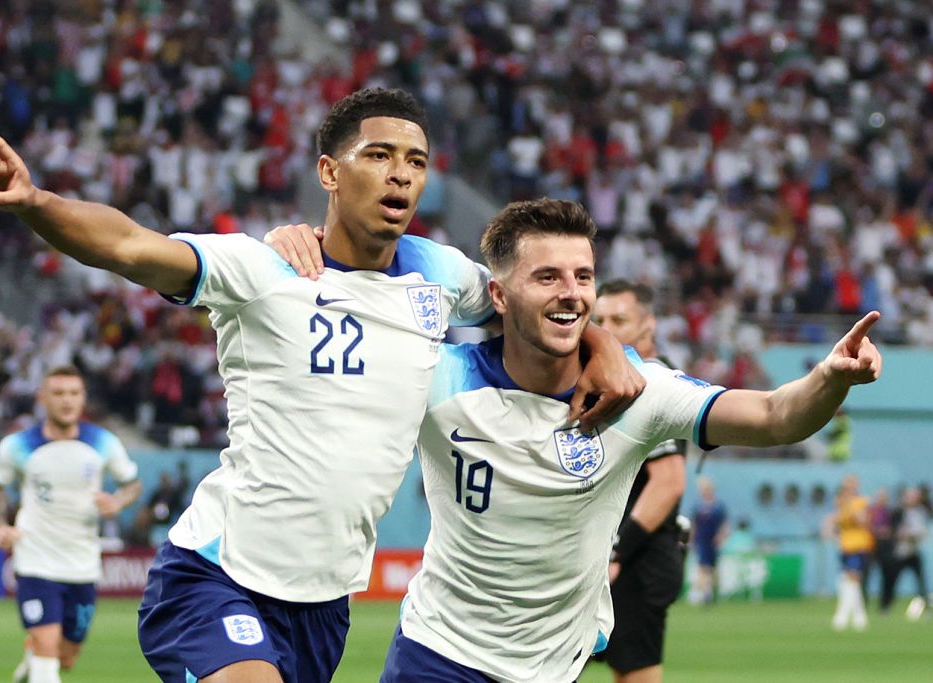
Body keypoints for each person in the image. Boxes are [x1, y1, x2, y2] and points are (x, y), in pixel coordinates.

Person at [0, 88, 641, 682]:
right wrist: (37, 202)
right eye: (378, 155)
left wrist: (604, 341)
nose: (400, 174)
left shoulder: (441, 274)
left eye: (416, 161)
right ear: (329, 171)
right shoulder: (263, 269)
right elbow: (132, 245)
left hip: (323, 604)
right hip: (216, 573)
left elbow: (533, 301)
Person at [377, 198, 883, 683]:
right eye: (547, 276)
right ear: (500, 295)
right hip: (438, 653)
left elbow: (774, 416)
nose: (570, 292)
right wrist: (302, 248)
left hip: (554, 666)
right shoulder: (438, 379)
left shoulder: (639, 393)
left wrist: (829, 377)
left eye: (583, 276)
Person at [0, 366, 141, 683]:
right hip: (36, 558)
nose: (66, 400)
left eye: (73, 393)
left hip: (82, 563)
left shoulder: (103, 442)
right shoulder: (17, 446)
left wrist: (117, 502)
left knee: (65, 656)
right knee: (47, 644)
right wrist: (0, 525)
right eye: (58, 393)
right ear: (42, 398)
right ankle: (40, 651)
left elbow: (132, 484)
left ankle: (34, 660)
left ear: (83, 398)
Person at [589, 279, 687, 683]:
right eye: (599, 319)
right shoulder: (615, 379)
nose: (605, 328)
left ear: (649, 326)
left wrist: (615, 553)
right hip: (612, 557)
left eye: (619, 319)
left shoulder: (652, 384)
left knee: (634, 674)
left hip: (636, 559)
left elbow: (668, 482)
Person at [829, 474, 874, 631]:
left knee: (852, 579)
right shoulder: (840, 503)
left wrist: (849, 507)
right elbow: (835, 523)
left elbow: (863, 521)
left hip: (858, 545)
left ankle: (843, 615)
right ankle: (859, 616)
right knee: (848, 580)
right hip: (845, 546)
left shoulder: (861, 502)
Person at [886, 487, 929, 619]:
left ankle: (925, 608)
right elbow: (892, 529)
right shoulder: (898, 511)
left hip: (914, 551)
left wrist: (911, 535)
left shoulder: (921, 511)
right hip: (900, 552)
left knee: (920, 582)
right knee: (892, 580)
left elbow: (922, 531)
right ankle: (886, 606)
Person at [689, 475, 729, 605]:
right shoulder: (698, 506)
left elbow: (725, 524)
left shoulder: (718, 506)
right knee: (703, 566)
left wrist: (721, 536)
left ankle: (706, 591)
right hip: (701, 540)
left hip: (714, 541)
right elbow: (694, 525)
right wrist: (690, 539)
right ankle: (705, 593)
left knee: (711, 568)